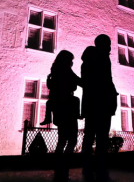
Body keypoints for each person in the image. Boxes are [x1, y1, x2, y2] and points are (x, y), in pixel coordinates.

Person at [81, 35, 118, 182]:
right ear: (100, 44)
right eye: (107, 43)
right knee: (96, 135)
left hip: (100, 102)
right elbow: (93, 82)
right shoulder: (96, 58)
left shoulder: (99, 58)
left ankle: (92, 164)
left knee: (95, 135)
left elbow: (105, 80)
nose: (110, 46)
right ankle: (95, 165)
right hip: (98, 102)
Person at [46, 50, 82, 182]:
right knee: (72, 140)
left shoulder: (55, 70)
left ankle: (58, 170)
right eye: (71, 60)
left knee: (62, 140)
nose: (72, 62)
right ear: (67, 60)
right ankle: (64, 169)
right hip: (68, 108)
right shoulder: (65, 70)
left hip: (59, 109)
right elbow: (79, 82)